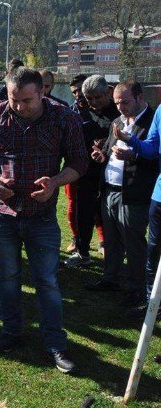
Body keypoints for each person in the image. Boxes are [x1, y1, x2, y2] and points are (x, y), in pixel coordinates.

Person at [0, 68, 88, 373]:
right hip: (2, 214)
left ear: (42, 93)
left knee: (46, 281)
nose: (20, 106)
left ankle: (55, 343)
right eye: (13, 99)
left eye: (27, 100)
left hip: (41, 217)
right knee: (7, 278)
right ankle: (11, 332)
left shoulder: (63, 118)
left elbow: (79, 162)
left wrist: (56, 182)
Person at [86, 80, 156, 309]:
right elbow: (109, 151)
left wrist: (133, 156)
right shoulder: (117, 121)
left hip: (135, 194)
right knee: (112, 240)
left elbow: (156, 157)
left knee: (133, 242)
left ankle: (136, 289)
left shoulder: (152, 122)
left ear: (140, 98)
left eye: (125, 102)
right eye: (117, 103)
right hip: (110, 189)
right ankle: (111, 278)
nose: (121, 107)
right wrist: (101, 156)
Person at [64, 75, 119, 268]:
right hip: (86, 173)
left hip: (111, 176)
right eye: (90, 99)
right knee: (83, 214)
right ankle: (83, 253)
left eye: (98, 97)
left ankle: (114, 255)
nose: (94, 102)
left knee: (109, 216)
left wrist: (108, 145)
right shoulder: (81, 113)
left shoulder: (118, 112)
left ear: (108, 93)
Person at [113, 99, 161, 322]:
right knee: (153, 254)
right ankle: (153, 306)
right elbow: (152, 147)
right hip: (159, 197)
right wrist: (130, 140)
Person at [63, 74, 90, 253]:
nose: (78, 94)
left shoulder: (104, 110)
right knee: (73, 203)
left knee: (94, 205)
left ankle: (102, 241)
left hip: (97, 166)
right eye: (74, 91)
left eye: (81, 89)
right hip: (73, 164)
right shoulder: (70, 112)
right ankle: (75, 239)